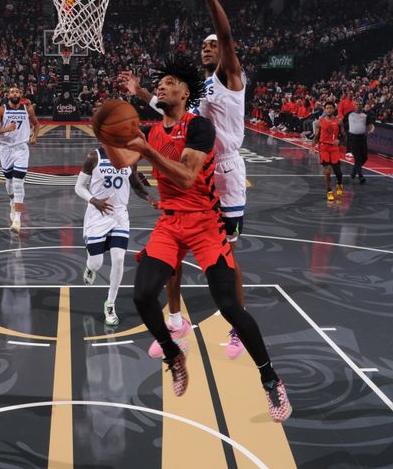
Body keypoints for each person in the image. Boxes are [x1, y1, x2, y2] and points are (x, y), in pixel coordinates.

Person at [123, 55, 291, 422]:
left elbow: (185, 177)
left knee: (229, 306)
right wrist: (116, 145)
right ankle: (174, 354)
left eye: (170, 82)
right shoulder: (152, 130)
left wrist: (147, 151)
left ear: (185, 93)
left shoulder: (201, 128)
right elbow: (128, 165)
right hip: (169, 222)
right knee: (140, 294)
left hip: (203, 222)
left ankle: (270, 378)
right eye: (160, 83)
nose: (163, 86)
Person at [119, 0, 249, 360]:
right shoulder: (193, 91)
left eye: (213, 44)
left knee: (228, 258)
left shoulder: (230, 78)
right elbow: (168, 107)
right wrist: (139, 90)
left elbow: (225, 36)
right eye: (203, 46)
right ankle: (176, 321)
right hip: (192, 167)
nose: (208, 48)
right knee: (172, 246)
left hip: (224, 172)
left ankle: (237, 326)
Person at [75, 145, 157, 326]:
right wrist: (93, 200)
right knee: (96, 263)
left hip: (119, 216)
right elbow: (79, 187)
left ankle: (110, 304)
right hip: (97, 214)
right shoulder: (93, 156)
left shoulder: (129, 157)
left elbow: (136, 184)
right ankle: (90, 267)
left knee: (119, 259)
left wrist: (148, 197)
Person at [0, 86, 40, 234]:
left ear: (21, 94)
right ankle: (12, 202)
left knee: (18, 183)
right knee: (9, 183)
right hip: (6, 149)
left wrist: (34, 136)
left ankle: (17, 220)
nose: (15, 93)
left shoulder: (27, 108)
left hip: (22, 148)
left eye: (17, 91)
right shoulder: (1, 110)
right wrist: (5, 130)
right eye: (12, 92)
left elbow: (36, 124)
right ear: (8, 95)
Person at [313, 102, 345, 201]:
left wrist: (339, 141)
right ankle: (329, 191)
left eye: (331, 108)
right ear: (324, 109)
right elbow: (316, 136)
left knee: (338, 172)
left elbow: (344, 136)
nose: (329, 110)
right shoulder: (320, 122)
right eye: (327, 108)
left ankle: (339, 184)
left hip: (334, 148)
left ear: (334, 109)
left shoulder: (339, 121)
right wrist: (312, 145)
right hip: (323, 148)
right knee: (327, 171)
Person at [346, 99, 374, 184]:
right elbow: (341, 122)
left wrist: (371, 130)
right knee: (357, 158)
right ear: (354, 105)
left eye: (360, 104)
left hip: (362, 138)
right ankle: (361, 176)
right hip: (353, 138)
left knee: (364, 157)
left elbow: (371, 125)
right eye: (357, 104)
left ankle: (354, 171)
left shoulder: (365, 115)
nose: (358, 105)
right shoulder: (349, 114)